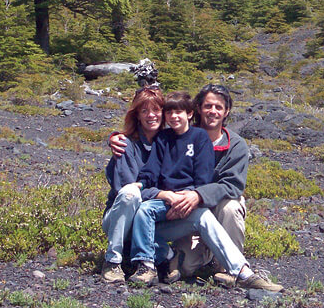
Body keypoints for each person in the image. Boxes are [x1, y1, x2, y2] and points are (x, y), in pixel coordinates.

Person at [111, 84, 283, 291]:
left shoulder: (231, 144)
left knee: (221, 211)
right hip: (169, 206)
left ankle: (238, 271)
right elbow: (151, 172)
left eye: (218, 107)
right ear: (199, 109)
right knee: (183, 263)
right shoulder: (164, 138)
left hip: (204, 205)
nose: (213, 111)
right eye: (208, 106)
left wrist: (195, 196)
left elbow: (229, 185)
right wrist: (159, 193)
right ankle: (156, 260)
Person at [128, 91, 214, 285]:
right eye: (170, 112)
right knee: (142, 214)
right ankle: (153, 263)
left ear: (190, 114)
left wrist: (191, 196)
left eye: (179, 112)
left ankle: (232, 267)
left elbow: (204, 178)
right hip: (165, 199)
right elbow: (151, 171)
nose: (174, 117)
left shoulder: (199, 137)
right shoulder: (163, 138)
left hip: (189, 199)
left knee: (144, 215)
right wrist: (143, 185)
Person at [101, 86, 164, 283]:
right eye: (144, 111)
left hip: (151, 217)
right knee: (131, 193)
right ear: (136, 115)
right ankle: (112, 261)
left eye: (156, 110)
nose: (151, 115)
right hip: (122, 216)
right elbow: (126, 189)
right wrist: (162, 194)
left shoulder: (169, 144)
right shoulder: (125, 144)